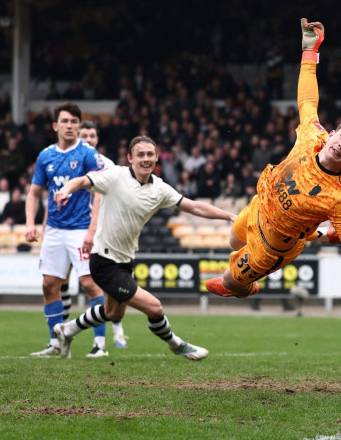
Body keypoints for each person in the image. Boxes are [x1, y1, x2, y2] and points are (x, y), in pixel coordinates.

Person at [204, 19, 341, 317]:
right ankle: (321, 233)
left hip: (273, 247)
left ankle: (245, 286)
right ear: (334, 133)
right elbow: (307, 98)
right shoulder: (314, 134)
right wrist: (309, 50)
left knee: (228, 283)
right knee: (232, 240)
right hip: (260, 204)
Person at [51, 136, 238, 360]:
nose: (146, 159)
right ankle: (177, 344)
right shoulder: (115, 176)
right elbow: (82, 181)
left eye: (150, 154)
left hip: (125, 260)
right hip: (104, 260)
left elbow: (194, 207)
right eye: (140, 155)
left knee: (112, 312)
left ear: (157, 157)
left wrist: (229, 216)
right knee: (155, 307)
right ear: (130, 158)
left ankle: (67, 329)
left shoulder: (159, 189)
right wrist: (65, 190)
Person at [25, 103, 110, 358]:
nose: (70, 126)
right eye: (65, 121)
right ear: (56, 126)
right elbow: (34, 193)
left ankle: (100, 344)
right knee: (49, 284)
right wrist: (30, 223)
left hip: (80, 228)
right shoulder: (45, 156)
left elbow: (100, 192)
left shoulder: (88, 154)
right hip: (54, 229)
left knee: (90, 284)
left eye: (75, 122)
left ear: (79, 126)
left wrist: (92, 229)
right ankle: (55, 342)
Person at [78, 120, 127, 349]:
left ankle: (111, 334)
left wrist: (94, 228)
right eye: (84, 135)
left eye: (91, 136)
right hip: (69, 227)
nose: (88, 139)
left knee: (98, 282)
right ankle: (55, 341)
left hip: (100, 229)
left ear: (97, 139)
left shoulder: (105, 164)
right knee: (56, 284)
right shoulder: (69, 160)